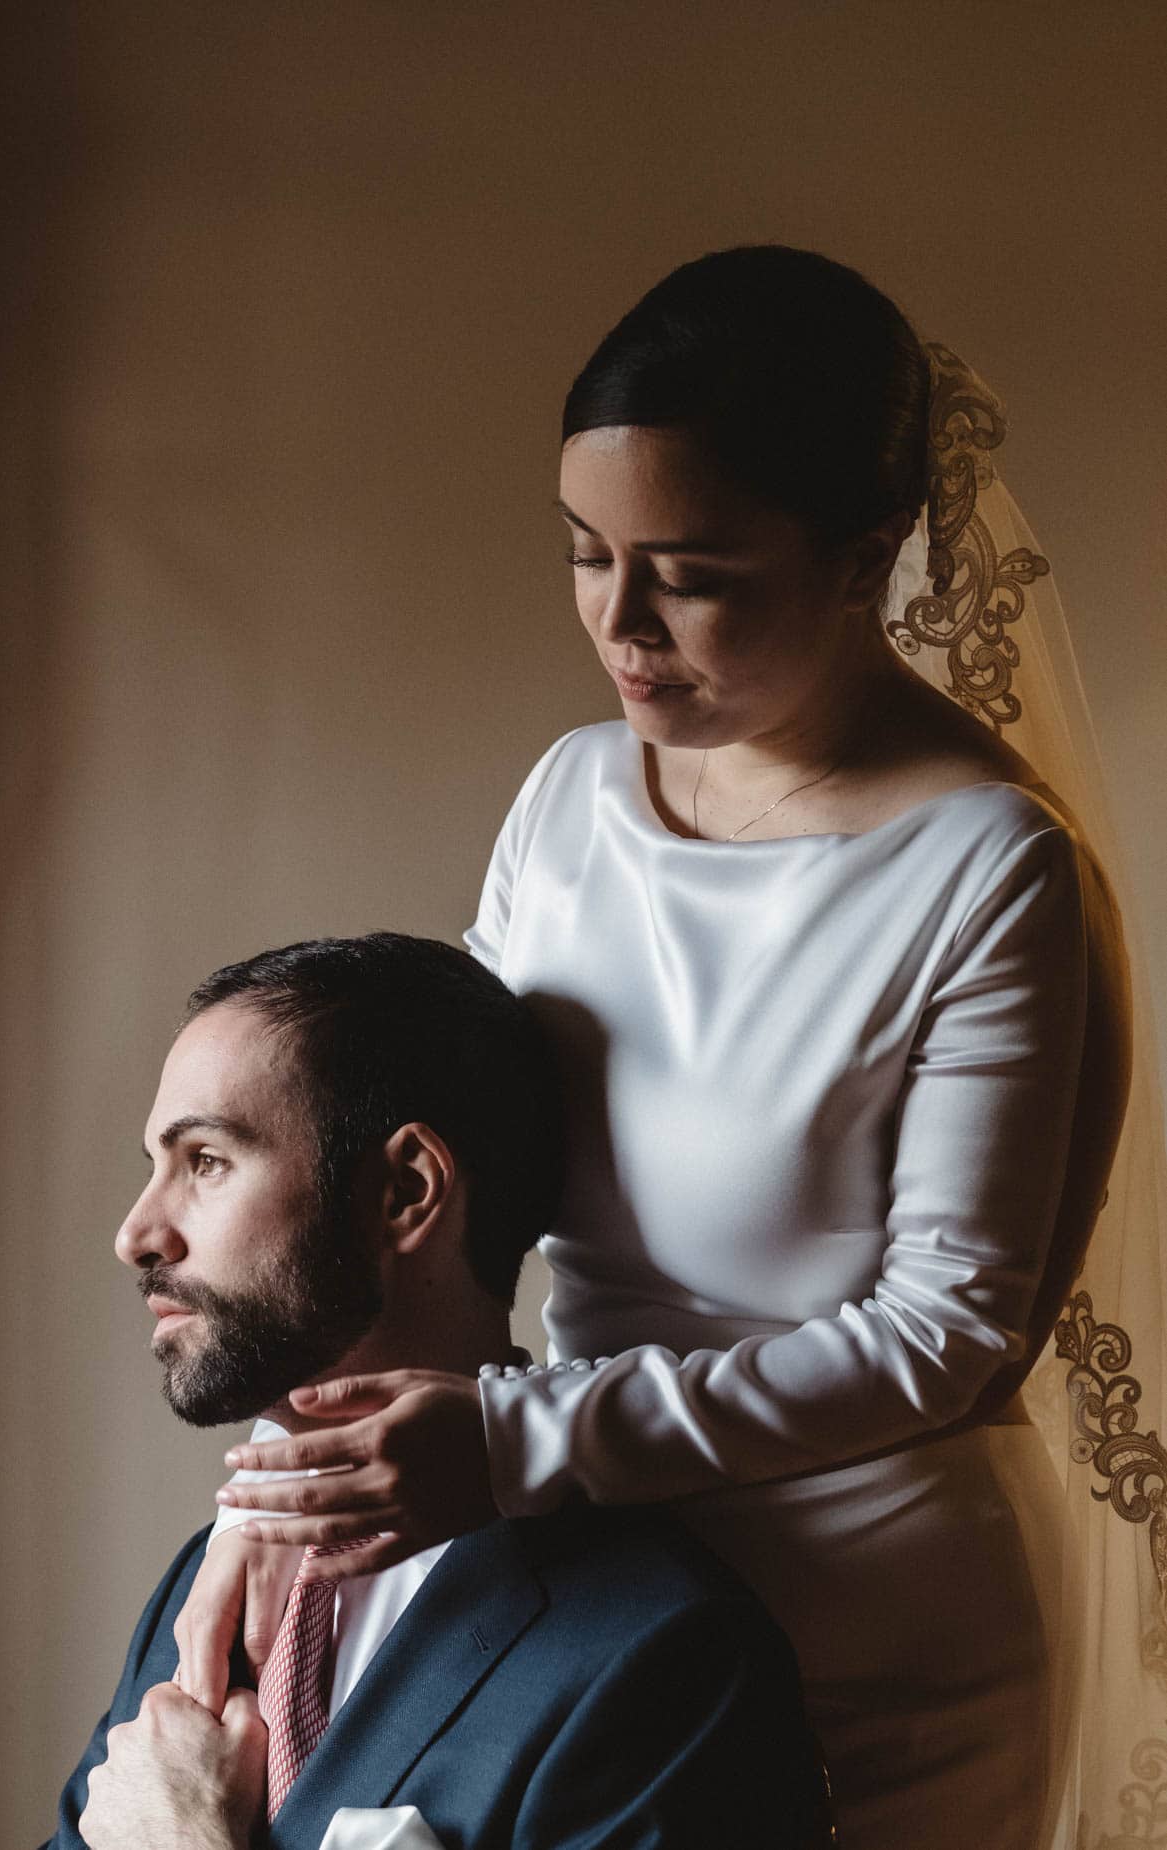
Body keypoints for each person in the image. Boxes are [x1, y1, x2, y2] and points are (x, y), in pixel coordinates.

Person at [176, 249, 1141, 1847]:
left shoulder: (986, 869)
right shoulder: (571, 797)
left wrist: (519, 1441)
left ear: (865, 555)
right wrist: (296, 1461)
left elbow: (950, 1334)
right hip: (575, 1590)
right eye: (585, 552)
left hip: (867, 1631)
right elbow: (448, 1146)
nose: (620, 624)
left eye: (690, 573)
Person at [43, 933, 824, 1850]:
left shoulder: (667, 1656)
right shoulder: (201, 1583)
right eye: (154, 1166)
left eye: (206, 1160)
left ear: (405, 1192)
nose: (137, 1234)